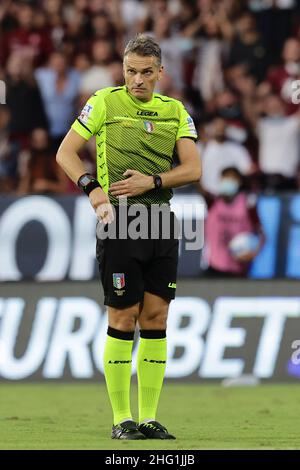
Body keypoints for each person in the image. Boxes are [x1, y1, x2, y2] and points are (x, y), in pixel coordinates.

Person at [56, 34, 201, 440]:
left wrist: (152, 181)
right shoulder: (103, 101)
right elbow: (66, 153)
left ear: (160, 73)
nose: (137, 80)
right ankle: (122, 419)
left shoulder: (175, 111)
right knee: (122, 318)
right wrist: (92, 188)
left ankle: (149, 418)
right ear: (123, 70)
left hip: (160, 223)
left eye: (145, 73)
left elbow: (192, 169)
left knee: (156, 319)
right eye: (130, 71)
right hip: (119, 223)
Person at [204, 166, 265, 277]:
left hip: (239, 271)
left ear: (239, 182)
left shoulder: (248, 205)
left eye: (232, 179)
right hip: (214, 268)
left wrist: (254, 253)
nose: (228, 182)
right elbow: (199, 184)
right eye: (226, 178)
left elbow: (262, 235)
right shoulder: (211, 202)